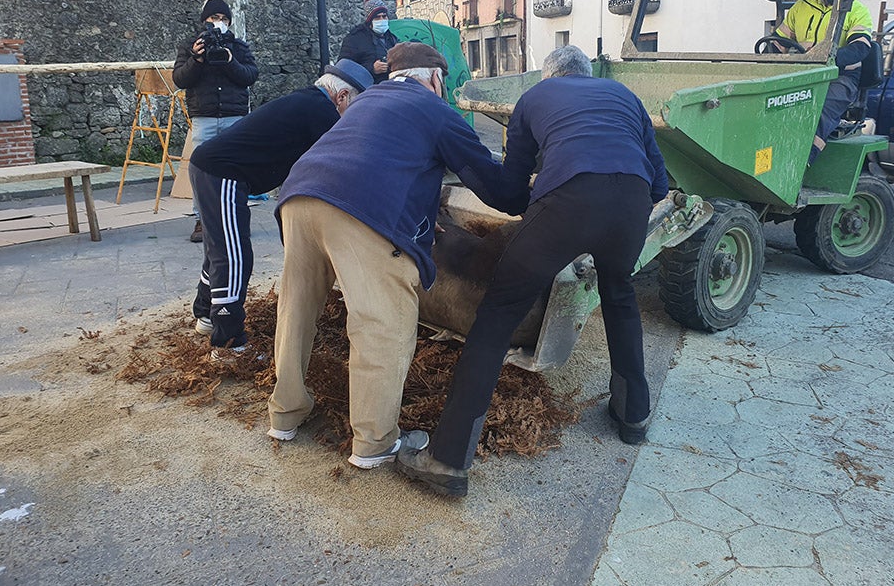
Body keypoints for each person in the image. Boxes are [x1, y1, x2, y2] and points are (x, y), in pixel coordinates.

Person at [397, 45, 670, 498]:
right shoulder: (624, 96)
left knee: (497, 316)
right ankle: (633, 415)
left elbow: (512, 182)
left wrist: (544, 211)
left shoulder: (534, 98)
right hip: (631, 203)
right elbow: (659, 183)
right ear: (586, 74)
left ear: (550, 78)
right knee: (620, 296)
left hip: (567, 199)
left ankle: (446, 461)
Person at [266, 42, 524, 470]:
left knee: (296, 309)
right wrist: (534, 194)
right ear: (436, 79)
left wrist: (420, 212)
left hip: (299, 197)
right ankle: (374, 442)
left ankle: (285, 414)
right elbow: (493, 187)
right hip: (360, 211)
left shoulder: (367, 102)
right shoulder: (436, 111)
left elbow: (384, 160)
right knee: (382, 325)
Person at [189, 59, 373, 357]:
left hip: (213, 168)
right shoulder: (321, 112)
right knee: (233, 256)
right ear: (342, 97)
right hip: (222, 172)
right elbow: (342, 164)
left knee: (219, 249)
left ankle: (207, 316)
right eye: (357, 108)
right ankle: (228, 344)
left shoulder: (309, 102)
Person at [173, 0, 260, 242]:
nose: (218, 23)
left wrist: (230, 61)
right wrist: (196, 60)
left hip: (235, 117)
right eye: (213, 18)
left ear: (229, 22)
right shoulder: (191, 46)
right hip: (205, 116)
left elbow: (250, 76)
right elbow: (180, 79)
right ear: (204, 21)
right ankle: (202, 220)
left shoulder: (239, 47)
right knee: (201, 170)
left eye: (223, 19)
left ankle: (237, 216)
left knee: (236, 170)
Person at [772, 0, 873, 164]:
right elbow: (777, 43)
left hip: (840, 77)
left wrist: (828, 57)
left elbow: (859, 48)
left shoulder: (857, 11)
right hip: (802, 74)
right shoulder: (801, 7)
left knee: (821, 108)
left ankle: (800, 163)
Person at [338, 0, 398, 84]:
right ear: (369, 20)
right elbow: (344, 68)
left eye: (384, 16)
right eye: (377, 17)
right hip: (365, 89)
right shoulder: (354, 39)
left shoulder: (391, 38)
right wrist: (371, 69)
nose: (382, 20)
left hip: (389, 87)